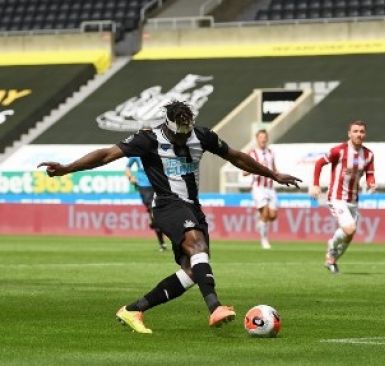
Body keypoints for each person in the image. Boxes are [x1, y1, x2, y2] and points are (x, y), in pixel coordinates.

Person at [38, 101, 301, 334]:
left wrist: (274, 175)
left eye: (187, 131)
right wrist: (67, 169)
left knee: (192, 270)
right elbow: (107, 154)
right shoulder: (148, 139)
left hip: (192, 207)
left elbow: (236, 157)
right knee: (197, 246)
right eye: (179, 133)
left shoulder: (202, 136)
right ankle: (215, 307)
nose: (183, 137)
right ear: (169, 125)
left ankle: (133, 309)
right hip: (166, 205)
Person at [310, 120, 375, 274]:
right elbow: (319, 163)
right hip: (336, 198)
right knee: (350, 228)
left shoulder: (368, 154)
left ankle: (331, 260)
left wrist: (371, 182)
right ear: (349, 133)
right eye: (356, 131)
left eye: (361, 131)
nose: (359, 134)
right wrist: (315, 184)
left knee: (349, 235)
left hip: (353, 200)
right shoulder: (339, 151)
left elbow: (370, 174)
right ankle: (331, 245)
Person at [243, 129, 277, 250]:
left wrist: (278, 177)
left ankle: (261, 223)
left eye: (264, 137)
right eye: (261, 137)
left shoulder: (271, 153)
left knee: (273, 216)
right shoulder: (252, 153)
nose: (263, 139)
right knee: (265, 213)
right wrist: (256, 168)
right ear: (257, 139)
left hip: (270, 187)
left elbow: (274, 169)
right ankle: (264, 240)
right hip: (258, 187)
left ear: (267, 139)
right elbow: (244, 172)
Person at [125, 156, 167, 251]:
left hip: (157, 184)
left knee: (158, 213)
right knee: (153, 212)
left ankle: (153, 221)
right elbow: (127, 167)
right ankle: (162, 243)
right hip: (144, 187)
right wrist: (130, 177)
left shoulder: (157, 150)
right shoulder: (136, 153)